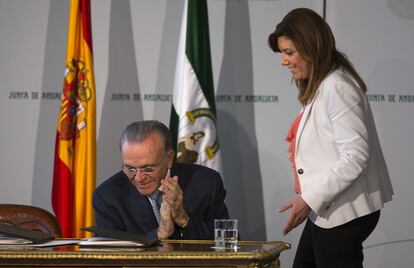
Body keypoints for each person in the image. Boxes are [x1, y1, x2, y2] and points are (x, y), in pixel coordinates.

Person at [267, 8, 393, 268]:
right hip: (327, 210)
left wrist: (309, 199)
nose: (283, 61)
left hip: (343, 213)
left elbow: (356, 158)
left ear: (312, 48)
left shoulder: (337, 88)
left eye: (289, 52)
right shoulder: (321, 86)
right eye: (282, 53)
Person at [93, 120, 230, 239]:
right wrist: (160, 233)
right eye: (130, 169)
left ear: (169, 158)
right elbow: (110, 255)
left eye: (148, 168)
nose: (139, 178)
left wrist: (183, 219)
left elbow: (227, 242)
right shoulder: (108, 196)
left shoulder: (206, 183)